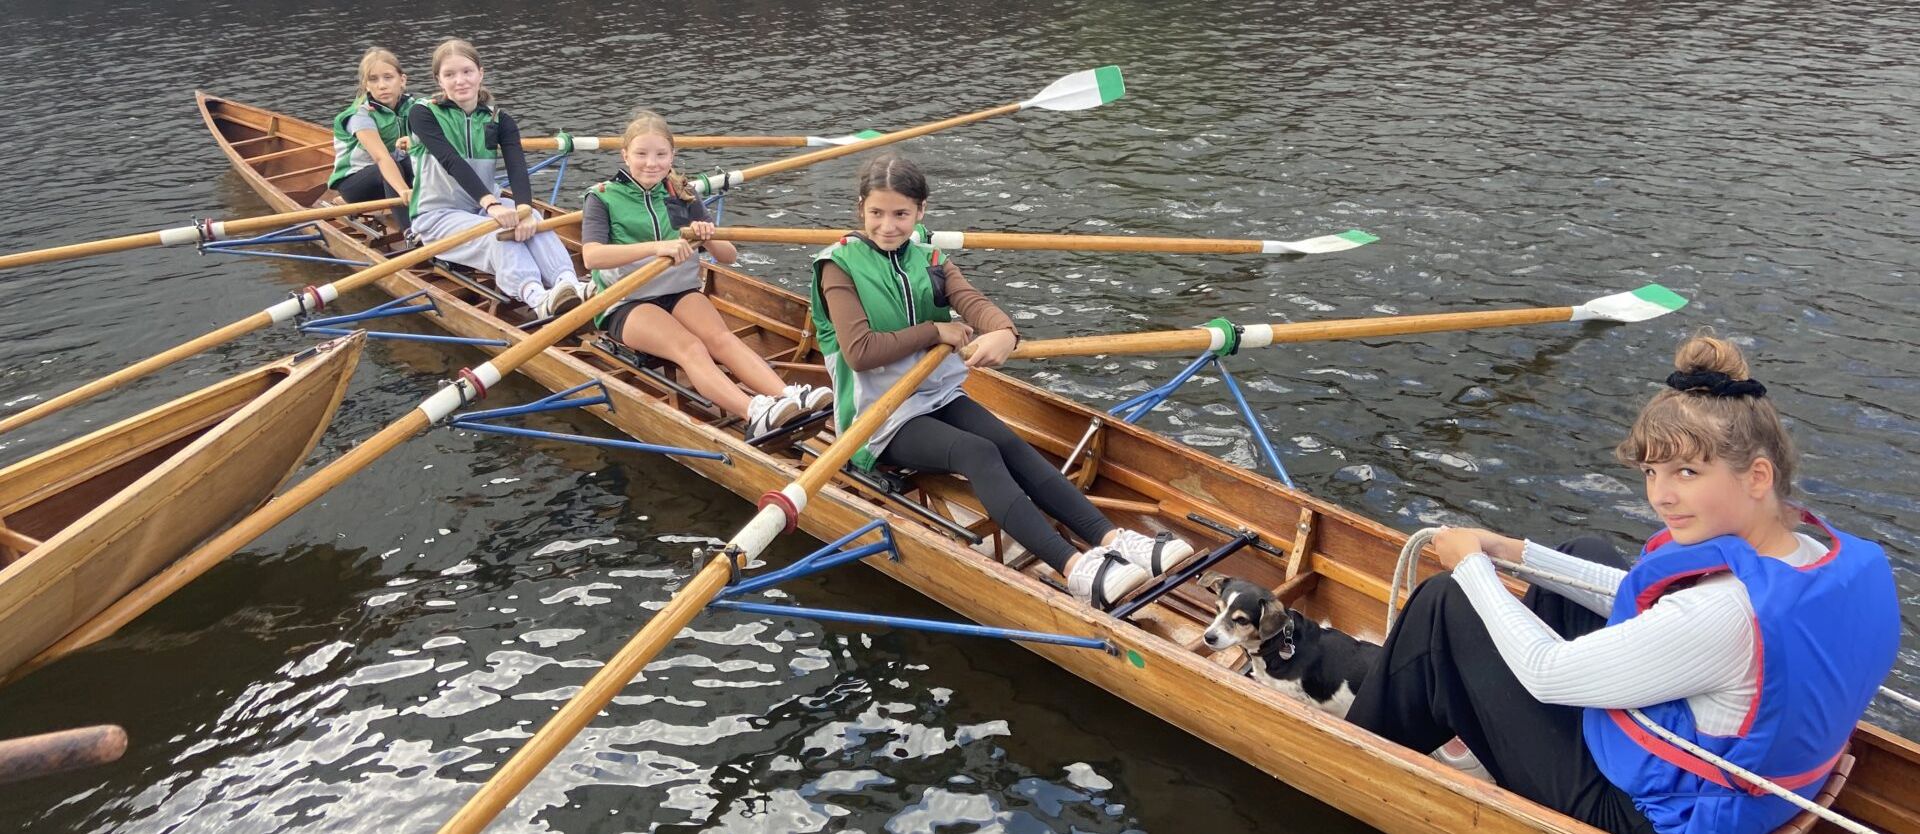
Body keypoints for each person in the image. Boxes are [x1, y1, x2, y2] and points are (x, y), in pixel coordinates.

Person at [1346, 333, 1900, 834]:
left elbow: (1547, 674)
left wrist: (1469, 566)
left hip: (1650, 816)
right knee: (1580, 552)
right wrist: (1514, 554)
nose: (1661, 496)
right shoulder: (1811, 554)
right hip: (1757, 789)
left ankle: (1349, 756)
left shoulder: (1724, 614)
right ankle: (1457, 721)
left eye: (1687, 472)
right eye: (1651, 473)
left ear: (1757, 475)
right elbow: (1656, 602)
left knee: (1448, 605)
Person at [809, 153, 1200, 610]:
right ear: (861, 209)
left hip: (933, 396)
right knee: (978, 452)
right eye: (877, 213)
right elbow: (860, 352)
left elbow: (974, 304)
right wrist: (937, 331)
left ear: (921, 212)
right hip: (876, 419)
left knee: (1008, 443)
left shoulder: (930, 258)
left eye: (900, 214)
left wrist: (1004, 332)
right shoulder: (837, 266)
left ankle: (1112, 538)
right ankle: (1075, 569)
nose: (888, 226)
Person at [580, 110, 827, 436]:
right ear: (625, 154)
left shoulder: (680, 193)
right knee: (691, 348)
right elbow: (591, 257)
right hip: (626, 300)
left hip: (680, 292)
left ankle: (787, 395)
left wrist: (707, 236)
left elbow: (728, 256)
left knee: (721, 339)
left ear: (673, 155)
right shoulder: (602, 197)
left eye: (660, 155)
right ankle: (754, 412)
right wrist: (656, 247)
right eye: (641, 154)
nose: (651, 163)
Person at [407, 39, 586, 318]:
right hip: (437, 215)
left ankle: (569, 284)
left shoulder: (499, 120)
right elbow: (451, 161)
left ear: (481, 73)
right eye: (450, 75)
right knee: (499, 234)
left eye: (467, 72)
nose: (460, 81)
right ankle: (537, 298)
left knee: (536, 221)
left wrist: (524, 209)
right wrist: (492, 205)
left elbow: (516, 167)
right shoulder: (422, 113)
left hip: (483, 208)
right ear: (438, 80)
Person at [327, 47, 415, 231]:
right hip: (355, 185)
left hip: (390, 174)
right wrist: (403, 190)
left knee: (422, 159)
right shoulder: (360, 115)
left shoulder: (413, 106)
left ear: (402, 80)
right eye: (373, 80)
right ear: (366, 85)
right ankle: (409, 232)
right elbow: (381, 158)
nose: (382, 85)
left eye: (388, 77)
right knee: (393, 165)